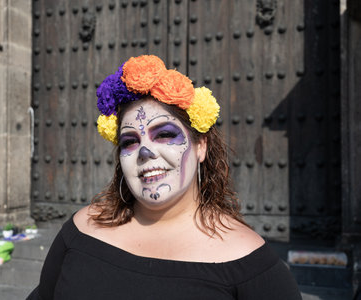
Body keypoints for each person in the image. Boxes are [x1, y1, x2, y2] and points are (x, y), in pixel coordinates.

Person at [27, 55, 302, 299]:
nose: (146, 151)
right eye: (130, 142)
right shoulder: (81, 230)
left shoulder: (249, 261)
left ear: (201, 146)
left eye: (165, 134)